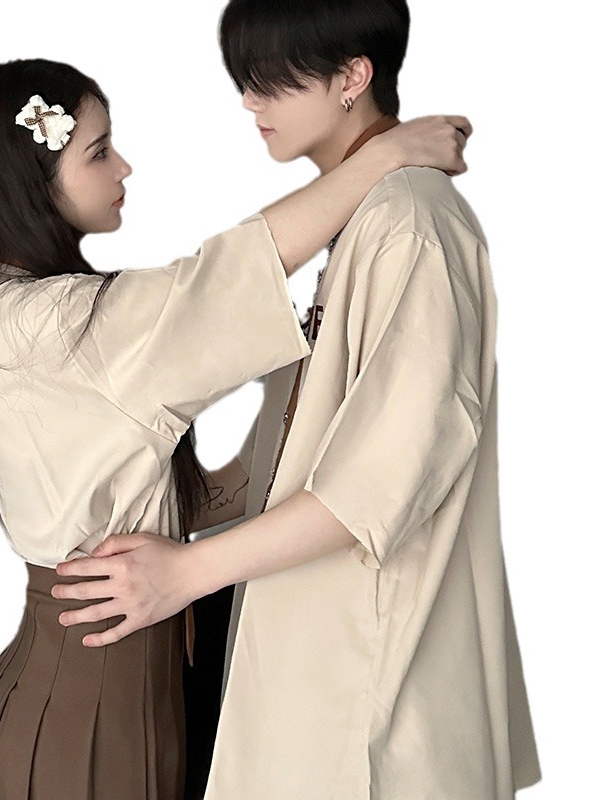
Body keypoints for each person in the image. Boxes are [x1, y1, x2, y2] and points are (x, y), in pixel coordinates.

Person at [0, 57, 467, 800]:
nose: (124, 166)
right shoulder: (42, 324)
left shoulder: (18, 314)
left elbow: (147, 502)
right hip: (86, 713)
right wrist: (383, 156)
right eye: (99, 152)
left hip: (112, 693)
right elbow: (219, 283)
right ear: (30, 182)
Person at [50, 2, 542, 799]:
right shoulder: (367, 214)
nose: (250, 101)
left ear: (353, 77)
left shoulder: (412, 224)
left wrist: (186, 573)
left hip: (373, 685)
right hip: (315, 659)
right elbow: (292, 450)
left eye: (271, 80)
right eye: (244, 80)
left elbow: (378, 483)